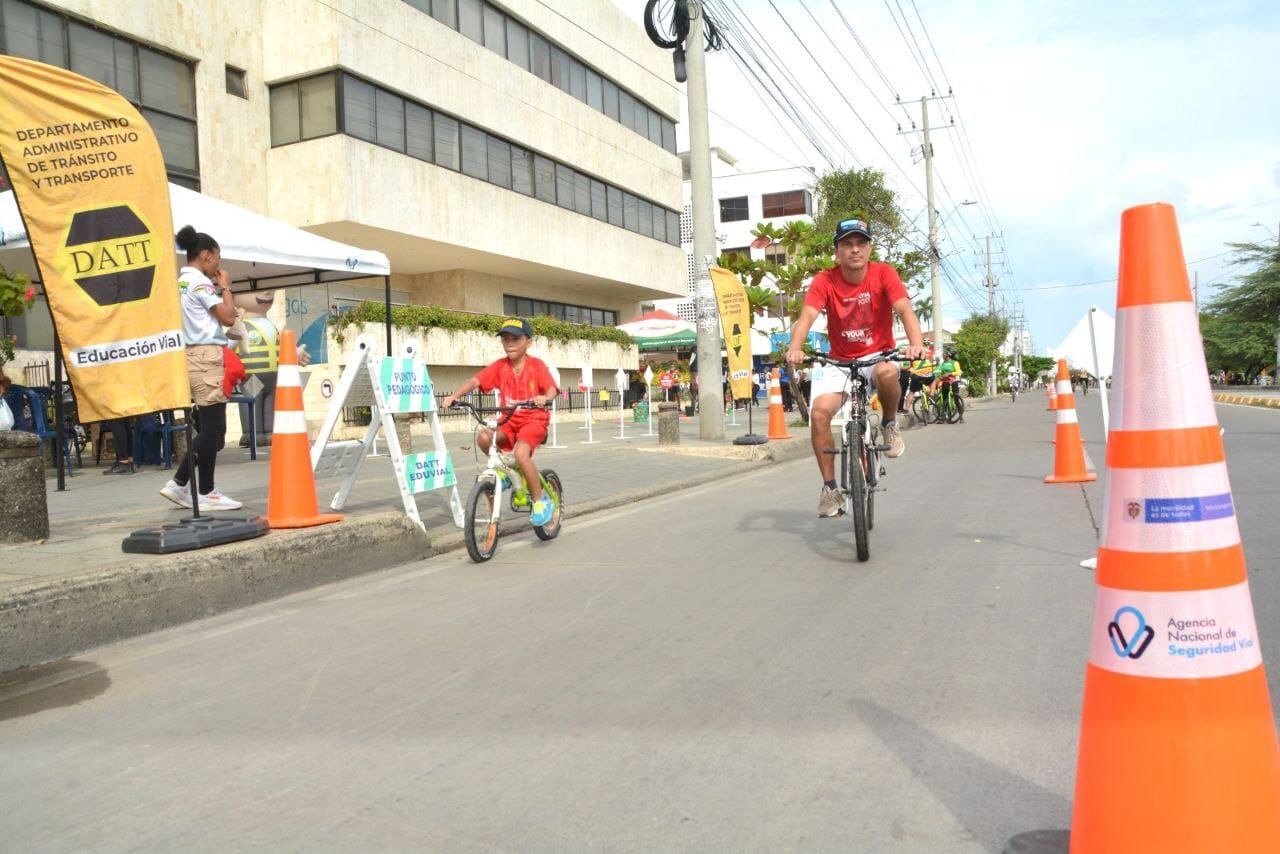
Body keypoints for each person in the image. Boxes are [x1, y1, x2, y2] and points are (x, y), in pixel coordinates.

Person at [785, 218, 925, 517]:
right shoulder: (825, 280)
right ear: (837, 251)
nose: (854, 250)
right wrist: (795, 347)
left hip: (878, 356)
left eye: (861, 243)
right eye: (847, 244)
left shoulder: (884, 273)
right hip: (839, 361)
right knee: (819, 414)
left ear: (869, 248)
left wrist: (916, 344)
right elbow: (807, 316)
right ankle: (830, 488)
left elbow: (904, 309)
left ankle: (888, 424)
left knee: (889, 372)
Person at [442, 318, 559, 527]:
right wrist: (454, 396)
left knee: (521, 454)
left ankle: (540, 500)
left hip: (534, 420)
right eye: (505, 339)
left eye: (515, 338)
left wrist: (545, 398)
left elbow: (551, 388)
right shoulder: (500, 366)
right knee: (484, 437)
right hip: (508, 420)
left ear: (528, 342)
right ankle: (506, 473)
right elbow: (476, 381)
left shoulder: (536, 366)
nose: (510, 344)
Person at [159, 226, 243, 511]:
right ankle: (191, 485)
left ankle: (195, 487)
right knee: (213, 428)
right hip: (206, 357)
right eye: (217, 259)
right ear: (206, 255)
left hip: (191, 356)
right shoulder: (200, 283)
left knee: (211, 428)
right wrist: (226, 287)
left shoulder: (180, 282)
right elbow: (228, 317)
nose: (218, 265)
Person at [899, 338, 935, 414]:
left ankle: (906, 410)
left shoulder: (914, 352)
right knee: (933, 380)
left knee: (911, 392)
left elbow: (908, 365)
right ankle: (932, 395)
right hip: (928, 375)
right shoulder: (931, 353)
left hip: (917, 376)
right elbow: (933, 365)